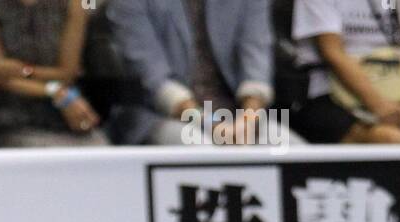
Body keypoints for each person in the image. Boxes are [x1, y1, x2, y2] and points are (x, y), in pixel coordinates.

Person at [106, 0, 287, 145]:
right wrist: (212, 125)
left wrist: (247, 120)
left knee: (291, 150)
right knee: (201, 150)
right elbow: (153, 80)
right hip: (162, 115)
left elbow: (257, 64)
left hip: (237, 113)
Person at [290, 0, 400, 143]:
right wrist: (379, 105)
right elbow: (332, 52)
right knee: (391, 139)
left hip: (398, 85)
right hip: (332, 91)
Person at [0, 0, 108, 146]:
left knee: (102, 152)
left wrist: (24, 71)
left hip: (63, 112)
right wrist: (53, 90)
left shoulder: (75, 4)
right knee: (43, 151)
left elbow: (67, 73)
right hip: (5, 114)